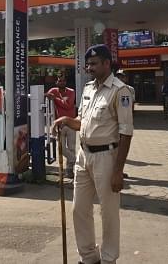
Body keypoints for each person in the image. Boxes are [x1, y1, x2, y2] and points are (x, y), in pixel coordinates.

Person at [52, 44, 133, 264]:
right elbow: (82, 122)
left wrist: (118, 170)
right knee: (79, 209)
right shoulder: (88, 88)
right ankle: (88, 257)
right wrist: (66, 121)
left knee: (108, 213)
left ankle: (108, 259)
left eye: (94, 64)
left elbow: (126, 133)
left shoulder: (120, 90)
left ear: (107, 63)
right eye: (88, 64)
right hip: (83, 155)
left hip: (107, 157)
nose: (90, 67)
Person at [46, 74, 77, 178]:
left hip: (71, 123)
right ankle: (77, 161)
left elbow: (68, 105)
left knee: (71, 147)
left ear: (66, 82)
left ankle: (69, 170)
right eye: (59, 81)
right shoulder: (53, 91)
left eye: (63, 81)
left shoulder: (71, 92)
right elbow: (45, 95)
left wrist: (55, 99)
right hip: (59, 124)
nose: (61, 83)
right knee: (61, 149)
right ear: (56, 82)